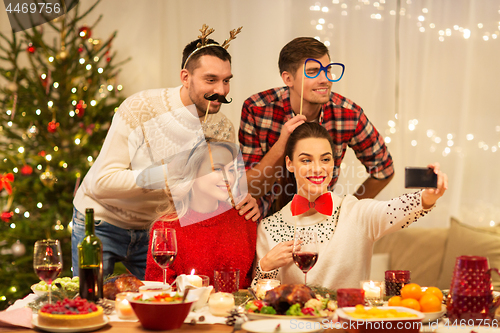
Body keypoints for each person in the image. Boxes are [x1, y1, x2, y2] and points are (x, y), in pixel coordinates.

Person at [72, 25, 259, 280]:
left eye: (226, 80)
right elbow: (101, 183)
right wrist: (167, 174)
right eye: (211, 80)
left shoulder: (222, 127)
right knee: (90, 305)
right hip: (102, 223)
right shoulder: (141, 108)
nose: (223, 90)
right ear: (185, 77)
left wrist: (242, 198)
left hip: (159, 229)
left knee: (161, 308)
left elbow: (219, 182)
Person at [252, 122, 447, 289]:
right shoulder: (268, 228)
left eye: (325, 159)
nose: (318, 168)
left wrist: (427, 197)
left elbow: (393, 210)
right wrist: (265, 266)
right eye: (306, 160)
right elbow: (259, 299)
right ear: (289, 164)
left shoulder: (355, 213)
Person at [239, 37, 394, 218]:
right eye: (313, 72)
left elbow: (384, 170)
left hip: (319, 222)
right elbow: (248, 189)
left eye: (327, 70)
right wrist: (282, 144)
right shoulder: (257, 109)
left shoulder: (348, 114)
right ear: (288, 78)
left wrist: (348, 212)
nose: (325, 79)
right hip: (263, 221)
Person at [145, 139, 257, 288]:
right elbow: (158, 290)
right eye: (217, 169)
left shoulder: (244, 218)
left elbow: (254, 285)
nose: (228, 178)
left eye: (231, 170)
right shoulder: (166, 228)